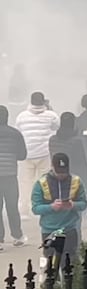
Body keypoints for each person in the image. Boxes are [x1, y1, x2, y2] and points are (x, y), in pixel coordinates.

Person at [31, 153, 87, 264]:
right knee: (51, 265)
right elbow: (35, 208)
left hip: (70, 229)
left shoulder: (76, 181)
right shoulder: (41, 183)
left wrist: (73, 205)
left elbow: (84, 204)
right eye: (59, 172)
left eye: (64, 172)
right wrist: (51, 207)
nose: (61, 175)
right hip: (49, 230)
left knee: (69, 264)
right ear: (52, 167)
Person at [16, 92, 59, 218]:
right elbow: (56, 126)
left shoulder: (22, 116)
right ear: (43, 102)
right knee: (44, 182)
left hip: (27, 154)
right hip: (44, 153)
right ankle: (42, 209)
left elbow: (18, 131)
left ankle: (24, 211)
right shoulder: (51, 115)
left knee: (25, 182)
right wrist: (50, 109)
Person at [48, 113, 87, 202]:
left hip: (56, 177)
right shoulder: (77, 141)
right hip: (73, 179)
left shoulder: (52, 140)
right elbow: (82, 165)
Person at [0, 106, 27, 247]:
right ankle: (17, 236)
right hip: (10, 175)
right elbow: (23, 155)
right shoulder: (15, 133)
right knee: (12, 206)